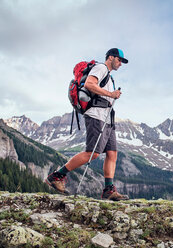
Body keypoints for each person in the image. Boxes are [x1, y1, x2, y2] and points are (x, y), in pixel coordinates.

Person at [45, 48, 129, 201]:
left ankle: (108, 190)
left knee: (112, 153)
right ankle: (57, 176)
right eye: (119, 60)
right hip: (96, 115)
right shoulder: (101, 68)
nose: (120, 63)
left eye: (122, 61)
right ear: (111, 57)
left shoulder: (109, 76)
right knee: (93, 153)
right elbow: (90, 84)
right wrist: (111, 94)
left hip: (107, 118)